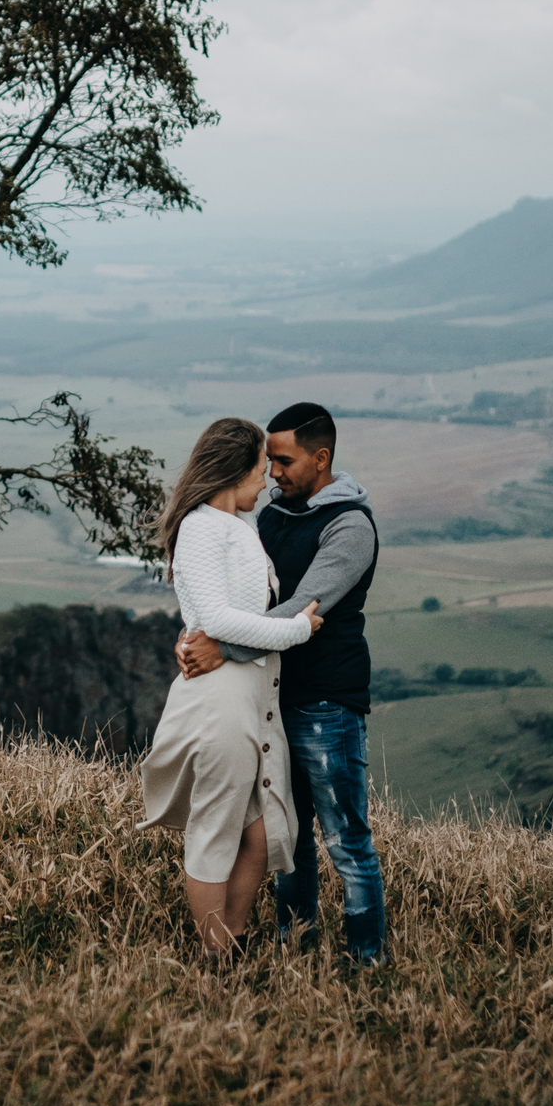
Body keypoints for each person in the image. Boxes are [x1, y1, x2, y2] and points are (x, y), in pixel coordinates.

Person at [176, 401, 387, 964]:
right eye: (267, 461)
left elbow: (301, 609)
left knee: (345, 840)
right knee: (284, 835)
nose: (271, 473)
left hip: (327, 700)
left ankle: (368, 958)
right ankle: (295, 944)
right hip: (266, 699)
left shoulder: (350, 526)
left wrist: (221, 648)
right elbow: (231, 596)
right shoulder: (268, 516)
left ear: (321, 459)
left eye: (284, 461)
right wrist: (193, 634)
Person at [138, 417, 322, 957]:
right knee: (217, 829)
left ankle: (230, 941)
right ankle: (218, 953)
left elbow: (211, 617)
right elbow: (216, 618)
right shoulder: (199, 526)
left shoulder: (238, 528)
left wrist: (192, 633)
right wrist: (295, 630)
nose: (266, 481)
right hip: (220, 701)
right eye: (260, 470)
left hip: (252, 699)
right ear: (236, 468)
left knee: (262, 834)